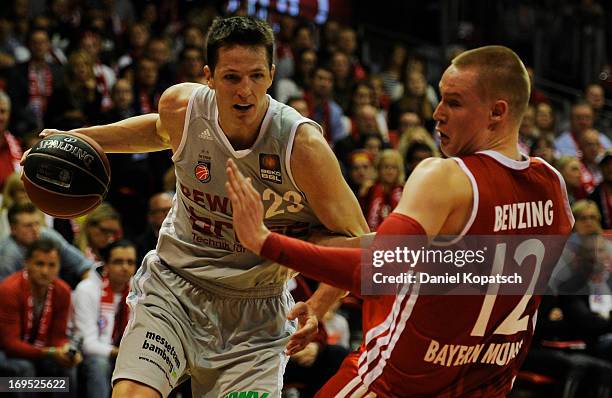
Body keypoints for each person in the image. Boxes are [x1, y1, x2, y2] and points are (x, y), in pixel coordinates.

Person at [34, 16, 368, 398]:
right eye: (232, 78)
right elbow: (158, 130)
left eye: (256, 76)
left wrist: (321, 302)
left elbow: (357, 243)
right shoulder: (183, 107)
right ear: (209, 76)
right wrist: (79, 138)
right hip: (176, 289)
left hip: (254, 317)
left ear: (273, 75)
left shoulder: (302, 147)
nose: (245, 91)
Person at [226, 45, 574, 397]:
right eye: (439, 99)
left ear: (497, 112)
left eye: (453, 102)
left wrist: (266, 242)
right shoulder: (553, 187)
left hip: (395, 384)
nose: (437, 113)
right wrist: (319, 301)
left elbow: (378, 269)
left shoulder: (446, 178)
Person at [0, 239, 81, 398]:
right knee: (24, 368)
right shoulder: (9, 289)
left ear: (59, 267)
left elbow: (58, 337)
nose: (45, 271)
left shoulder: (62, 291)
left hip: (39, 350)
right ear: (27, 263)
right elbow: (10, 344)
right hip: (5, 352)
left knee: (67, 366)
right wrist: (50, 352)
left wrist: (66, 350)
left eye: (52, 265)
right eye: (39, 264)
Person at [73, 240, 136, 398]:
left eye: (130, 262)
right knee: (99, 364)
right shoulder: (86, 290)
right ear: (106, 264)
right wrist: (121, 352)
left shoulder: (140, 290)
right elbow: (88, 344)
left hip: (125, 354)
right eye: (118, 262)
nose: (125, 267)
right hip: (92, 356)